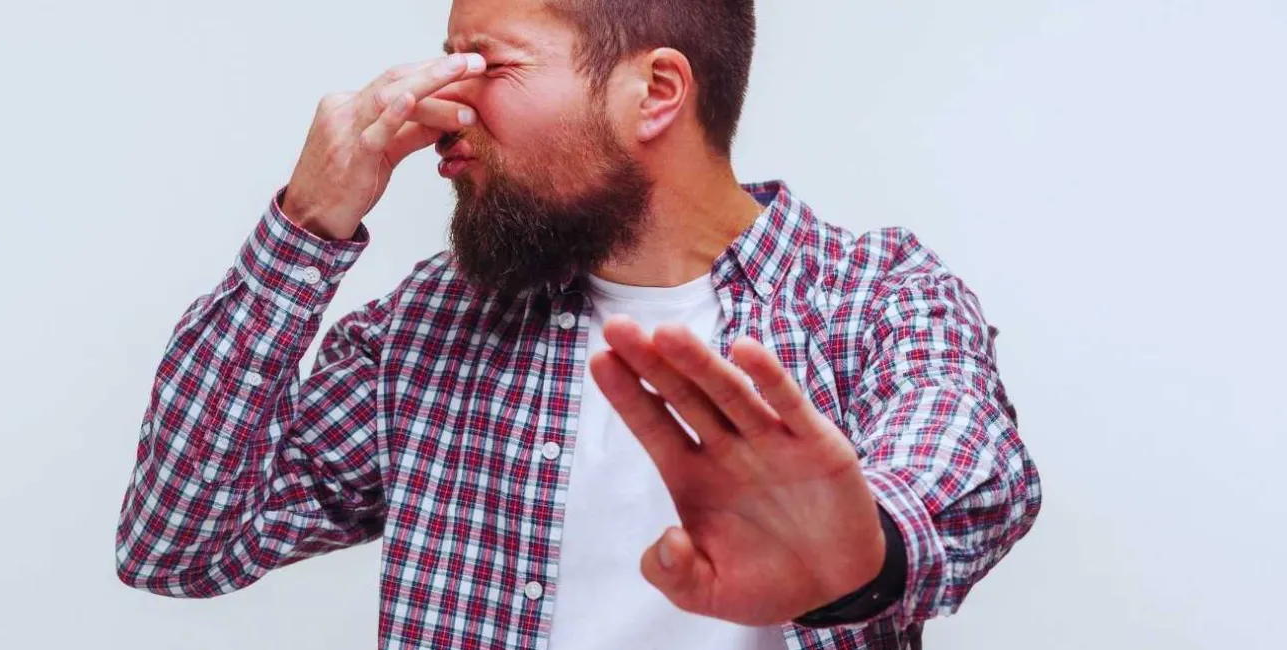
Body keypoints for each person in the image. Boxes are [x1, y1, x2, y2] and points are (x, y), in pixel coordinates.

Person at [115, 0, 1042, 647]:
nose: (443, 104)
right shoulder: (430, 328)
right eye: (447, 59)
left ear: (657, 92)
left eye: (489, 63)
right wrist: (305, 226)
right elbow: (178, 545)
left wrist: (858, 558)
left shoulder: (875, 297)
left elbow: (961, 471)